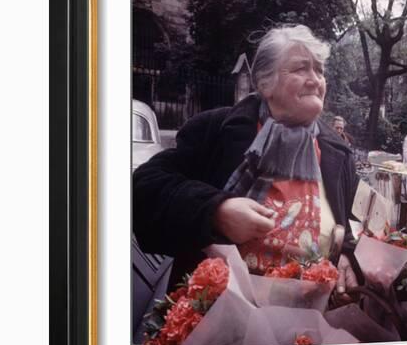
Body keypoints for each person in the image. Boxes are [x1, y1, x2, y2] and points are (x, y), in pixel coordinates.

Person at [133, 25, 361, 306]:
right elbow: (143, 190)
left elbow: (348, 225)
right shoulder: (215, 130)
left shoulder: (337, 152)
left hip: (306, 328)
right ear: (265, 84)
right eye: (301, 69)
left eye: (320, 71)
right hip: (218, 322)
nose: (315, 80)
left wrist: (347, 254)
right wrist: (216, 210)